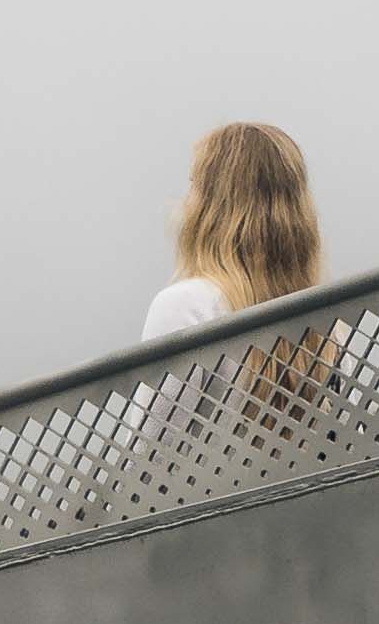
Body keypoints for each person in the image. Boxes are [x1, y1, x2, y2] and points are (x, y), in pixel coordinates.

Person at [141, 120, 336, 420]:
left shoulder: (186, 306)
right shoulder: (327, 323)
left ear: (214, 208)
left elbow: (149, 453)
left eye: (194, 184)